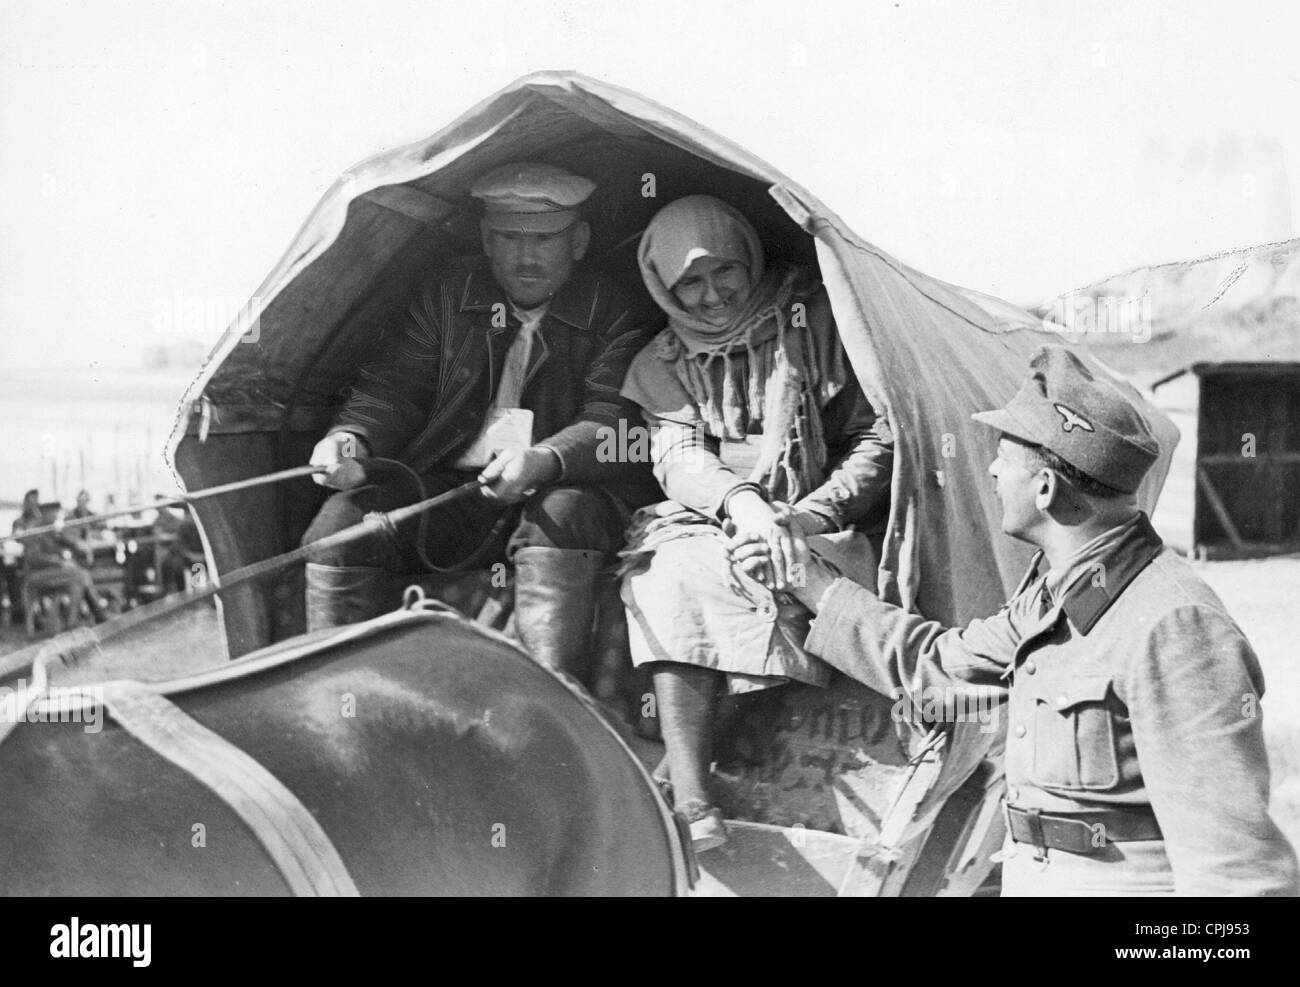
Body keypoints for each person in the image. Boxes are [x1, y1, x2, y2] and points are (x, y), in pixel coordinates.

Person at [780, 345, 1300, 895]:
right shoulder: (1056, 595)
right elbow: (938, 667)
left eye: (1003, 457)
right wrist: (809, 580)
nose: (992, 469)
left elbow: (1237, 873)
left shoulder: (1174, 624)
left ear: (1046, 489)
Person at [302, 162, 661, 681]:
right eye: (509, 237)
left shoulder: (615, 308)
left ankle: (551, 709)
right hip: (455, 493)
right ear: (486, 240)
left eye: (545, 238)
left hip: (560, 490)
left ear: (579, 241)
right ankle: (336, 700)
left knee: (562, 512)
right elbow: (394, 387)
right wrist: (350, 437)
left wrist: (544, 460)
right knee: (340, 525)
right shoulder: (448, 293)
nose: (527, 255)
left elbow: (614, 419)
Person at [618, 195, 893, 851]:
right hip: (708, 513)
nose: (712, 295)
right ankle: (691, 798)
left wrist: (810, 510)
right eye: (691, 282)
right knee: (671, 576)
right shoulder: (661, 360)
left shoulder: (818, 324)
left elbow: (877, 437)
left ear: (750, 257)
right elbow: (678, 455)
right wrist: (739, 502)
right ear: (665, 286)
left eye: (725, 272)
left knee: (784, 579)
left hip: (814, 511)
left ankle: (682, 768)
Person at [11, 491, 109, 625]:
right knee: (81, 574)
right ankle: (99, 614)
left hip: (49, 573)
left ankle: (72, 622)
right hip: (35, 576)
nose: (57, 517)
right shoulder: (36, 532)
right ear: (47, 514)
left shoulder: (51, 530)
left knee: (78, 583)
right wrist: (60, 562)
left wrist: (71, 550)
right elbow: (34, 558)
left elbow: (65, 541)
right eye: (55, 514)